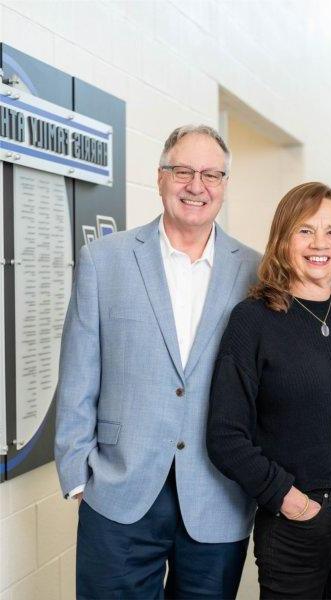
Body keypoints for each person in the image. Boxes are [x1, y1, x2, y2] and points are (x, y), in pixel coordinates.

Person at [54, 124, 261, 599]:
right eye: (183, 170)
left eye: (211, 174)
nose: (196, 185)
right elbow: (77, 377)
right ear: (160, 177)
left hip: (217, 496)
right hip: (118, 494)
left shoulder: (255, 270)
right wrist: (79, 478)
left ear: (225, 186)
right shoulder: (104, 261)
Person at [207, 182, 331, 599]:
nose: (320, 244)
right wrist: (286, 498)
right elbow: (225, 435)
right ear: (283, 238)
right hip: (296, 519)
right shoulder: (253, 320)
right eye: (305, 230)